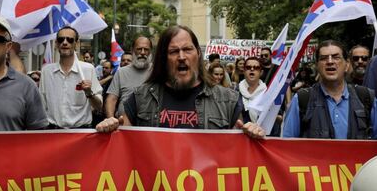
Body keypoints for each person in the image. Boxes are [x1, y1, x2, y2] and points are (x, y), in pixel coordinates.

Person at [96, 25, 265, 138]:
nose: (182, 57)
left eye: (187, 49)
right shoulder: (140, 99)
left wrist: (254, 135)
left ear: (198, 53)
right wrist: (110, 130)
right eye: (174, 51)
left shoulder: (229, 101)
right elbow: (122, 145)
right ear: (163, 58)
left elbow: (241, 155)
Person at [283, 40, 377, 139]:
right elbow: (287, 145)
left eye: (336, 57)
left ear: (347, 64)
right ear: (317, 66)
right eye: (323, 58)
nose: (330, 61)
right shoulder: (302, 99)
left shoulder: (365, 97)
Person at [40, 26, 103, 129]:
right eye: (61, 39)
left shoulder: (88, 69)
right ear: (56, 44)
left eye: (70, 40)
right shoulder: (47, 71)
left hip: (80, 134)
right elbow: (41, 106)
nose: (65, 43)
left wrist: (89, 93)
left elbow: (99, 106)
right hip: (53, 133)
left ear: (76, 44)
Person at [105, 36, 153, 118]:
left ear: (150, 51)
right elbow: (111, 99)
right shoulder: (121, 72)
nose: (142, 52)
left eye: (146, 49)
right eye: (139, 49)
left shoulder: (158, 71)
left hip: (149, 127)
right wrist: (111, 120)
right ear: (132, 50)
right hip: (124, 126)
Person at [236, 57, 267, 123]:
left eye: (256, 68)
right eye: (248, 67)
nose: (252, 69)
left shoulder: (268, 92)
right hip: (240, 131)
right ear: (244, 71)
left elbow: (278, 117)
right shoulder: (234, 91)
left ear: (261, 72)